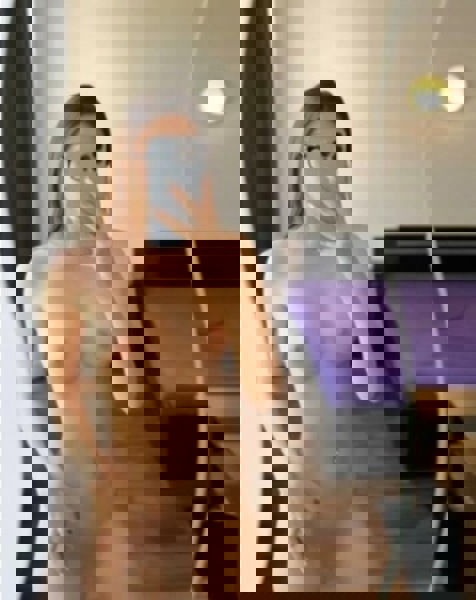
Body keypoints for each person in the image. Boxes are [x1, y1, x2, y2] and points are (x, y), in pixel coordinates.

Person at [262, 83, 436, 591]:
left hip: (369, 469)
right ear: (298, 164)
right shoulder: (279, 260)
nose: (326, 168)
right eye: (315, 152)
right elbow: (270, 381)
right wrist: (293, 463)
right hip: (307, 469)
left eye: (337, 152)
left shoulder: (368, 254)